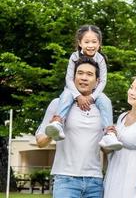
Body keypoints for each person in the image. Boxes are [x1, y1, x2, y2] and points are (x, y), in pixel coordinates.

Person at [36, 56, 106, 198]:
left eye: (89, 74)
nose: (84, 78)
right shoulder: (58, 104)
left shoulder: (103, 108)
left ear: (97, 81)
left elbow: (107, 149)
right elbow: (40, 142)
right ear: (73, 78)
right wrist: (52, 131)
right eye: (80, 73)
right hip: (65, 180)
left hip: (95, 181)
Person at [45, 24, 122, 150]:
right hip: (72, 89)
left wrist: (92, 97)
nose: (90, 45)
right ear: (80, 43)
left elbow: (102, 81)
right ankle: (58, 122)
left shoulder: (100, 59)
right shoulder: (74, 57)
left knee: (105, 100)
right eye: (87, 42)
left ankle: (109, 133)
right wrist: (77, 95)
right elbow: (69, 79)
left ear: (99, 43)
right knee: (65, 96)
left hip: (94, 92)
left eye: (94, 42)